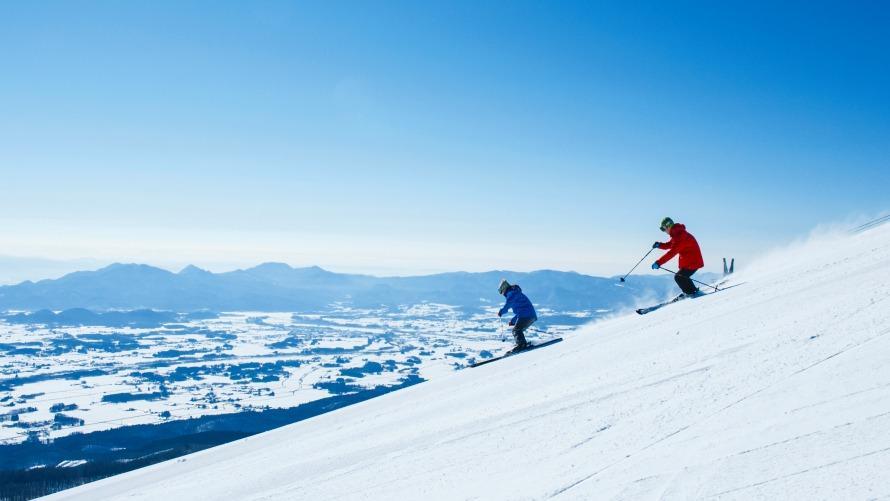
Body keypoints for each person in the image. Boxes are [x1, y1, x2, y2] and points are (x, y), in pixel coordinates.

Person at [651, 217, 704, 296]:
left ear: (668, 226)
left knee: (679, 277)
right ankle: (693, 292)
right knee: (682, 277)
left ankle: (692, 294)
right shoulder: (677, 234)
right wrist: (659, 245)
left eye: (663, 229)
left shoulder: (680, 236)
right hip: (690, 261)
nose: (664, 231)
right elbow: (670, 245)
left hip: (693, 262)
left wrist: (659, 263)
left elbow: (672, 252)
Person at [497, 279, 537, 352]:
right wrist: (513, 321)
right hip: (529, 315)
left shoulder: (511, 294)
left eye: (501, 292)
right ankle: (522, 343)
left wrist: (501, 312)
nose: (502, 294)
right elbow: (520, 312)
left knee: (516, 330)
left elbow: (507, 306)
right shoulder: (515, 293)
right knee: (518, 330)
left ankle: (521, 345)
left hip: (526, 315)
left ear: (504, 289)